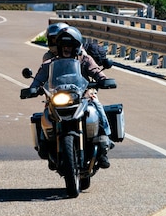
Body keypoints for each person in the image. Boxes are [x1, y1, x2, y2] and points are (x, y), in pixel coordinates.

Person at [31, 26, 113, 168]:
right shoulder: (50, 63)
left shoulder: (85, 59)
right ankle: (45, 144)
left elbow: (96, 71)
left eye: (70, 45)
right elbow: (40, 77)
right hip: (58, 96)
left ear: (76, 46)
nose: (66, 49)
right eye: (64, 46)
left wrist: (103, 79)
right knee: (46, 113)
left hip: (83, 95)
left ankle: (104, 140)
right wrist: (33, 88)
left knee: (97, 106)